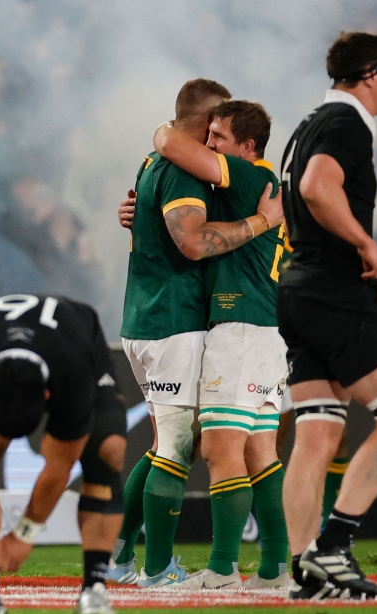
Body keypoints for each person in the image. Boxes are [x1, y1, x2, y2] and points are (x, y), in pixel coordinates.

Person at [111, 79, 282, 587]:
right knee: (181, 444)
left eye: (220, 139)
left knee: (171, 440)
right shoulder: (183, 170)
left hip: (152, 318)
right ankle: (159, 567)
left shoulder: (152, 164)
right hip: (175, 322)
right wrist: (258, 223)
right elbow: (190, 243)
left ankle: (121, 557)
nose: (210, 146)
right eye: (210, 133)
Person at [279, 32, 377, 600]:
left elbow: (292, 195)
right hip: (337, 290)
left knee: (316, 436)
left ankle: (303, 566)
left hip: (297, 287)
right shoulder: (347, 123)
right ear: (369, 72)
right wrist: (365, 243)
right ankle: (333, 548)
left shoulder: (308, 122)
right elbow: (317, 187)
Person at [0, 294, 127, 614]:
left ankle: (95, 588)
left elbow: (59, 466)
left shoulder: (71, 373)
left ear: (49, 398)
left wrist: (25, 534)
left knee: (107, 450)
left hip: (76, 338)